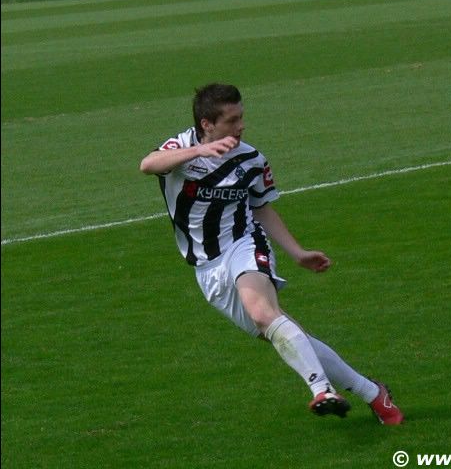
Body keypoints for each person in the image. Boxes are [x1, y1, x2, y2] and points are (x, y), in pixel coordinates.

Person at [139, 83, 404, 424]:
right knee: (285, 335)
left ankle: (322, 389)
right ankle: (373, 393)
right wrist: (199, 152)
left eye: (241, 117)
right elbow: (148, 164)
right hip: (206, 268)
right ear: (207, 124)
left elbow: (262, 208)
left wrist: (297, 252)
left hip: (244, 244)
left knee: (263, 312)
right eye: (231, 120)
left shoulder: (251, 159)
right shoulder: (181, 147)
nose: (241, 126)